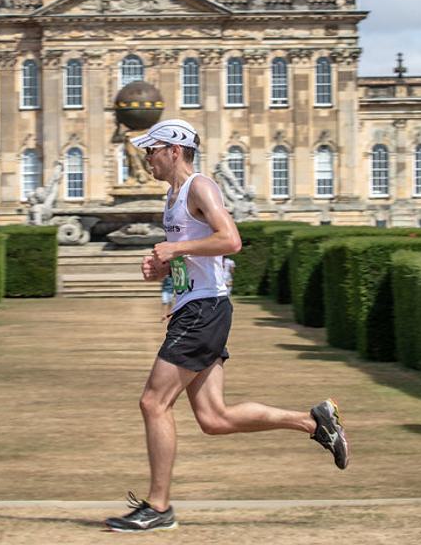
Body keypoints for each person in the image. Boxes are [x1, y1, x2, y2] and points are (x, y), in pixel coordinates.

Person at [104, 119, 349, 534]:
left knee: (153, 403)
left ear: (174, 150)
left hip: (204, 311)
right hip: (195, 308)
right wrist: (163, 268)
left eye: (152, 149)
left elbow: (231, 239)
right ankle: (314, 422)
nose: (146, 157)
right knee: (214, 418)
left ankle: (159, 506)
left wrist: (177, 248)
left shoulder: (201, 187)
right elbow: (198, 258)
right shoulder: (173, 196)